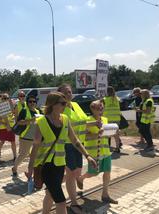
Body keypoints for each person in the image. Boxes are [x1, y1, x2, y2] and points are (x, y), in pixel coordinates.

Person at [26, 92, 97, 214]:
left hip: (60, 164)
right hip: (46, 166)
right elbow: (35, 146)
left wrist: (87, 155)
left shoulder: (65, 120)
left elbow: (75, 140)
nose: (66, 105)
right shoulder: (41, 122)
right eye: (63, 103)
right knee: (61, 201)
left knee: (50, 193)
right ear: (53, 104)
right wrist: (30, 167)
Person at [57, 84, 92, 213]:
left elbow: (84, 121)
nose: (68, 94)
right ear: (60, 95)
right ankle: (74, 203)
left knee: (76, 172)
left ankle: (54, 183)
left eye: (70, 92)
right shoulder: (59, 109)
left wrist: (96, 124)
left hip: (78, 144)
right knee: (71, 174)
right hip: (66, 145)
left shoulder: (76, 105)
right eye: (65, 93)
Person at [77, 100, 118, 204]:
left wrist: (113, 132)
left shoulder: (105, 119)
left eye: (102, 107)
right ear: (93, 109)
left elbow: (106, 135)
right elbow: (84, 137)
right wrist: (97, 135)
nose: (101, 110)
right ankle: (81, 178)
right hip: (94, 153)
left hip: (106, 151)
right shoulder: (88, 121)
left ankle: (105, 195)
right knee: (93, 173)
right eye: (99, 108)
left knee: (107, 172)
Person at [12, 95, 40, 176]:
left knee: (35, 156)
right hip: (25, 137)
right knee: (23, 155)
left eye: (34, 101)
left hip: (35, 137)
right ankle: (14, 167)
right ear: (27, 103)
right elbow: (19, 122)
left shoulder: (38, 111)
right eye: (30, 101)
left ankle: (30, 172)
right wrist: (30, 120)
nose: (32, 103)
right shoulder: (24, 111)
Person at [0, 93, 17, 161]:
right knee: (2, 141)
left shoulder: (11, 105)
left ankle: (15, 156)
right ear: (1, 99)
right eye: (4, 98)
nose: (6, 99)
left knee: (13, 141)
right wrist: (6, 124)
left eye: (7, 98)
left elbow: (14, 113)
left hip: (11, 127)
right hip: (3, 127)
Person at [102, 86, 122, 153]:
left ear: (107, 92)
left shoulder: (105, 99)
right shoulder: (117, 99)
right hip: (117, 118)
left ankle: (107, 146)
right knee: (116, 134)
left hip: (108, 118)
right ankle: (117, 147)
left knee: (107, 134)